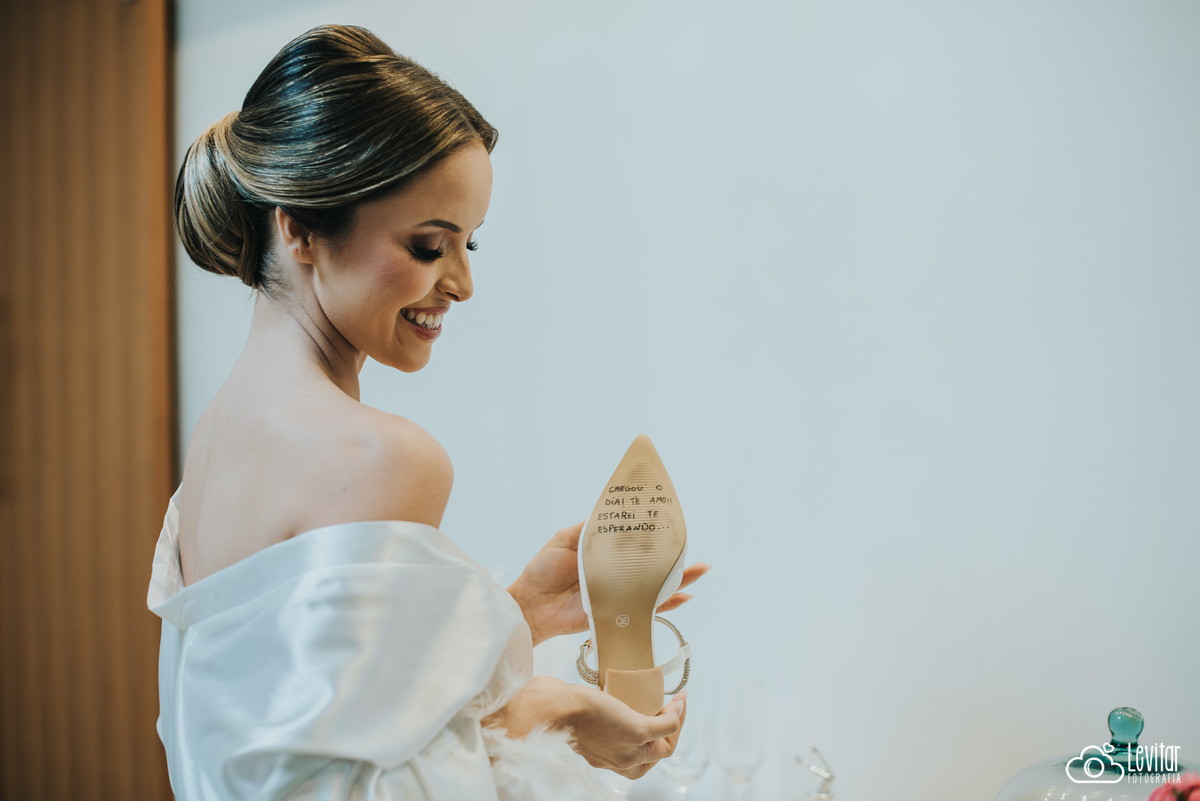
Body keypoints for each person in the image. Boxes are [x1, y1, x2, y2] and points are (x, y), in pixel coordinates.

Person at [148, 23, 709, 801]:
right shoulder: (381, 457)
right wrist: (551, 711)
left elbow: (296, 723)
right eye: (427, 245)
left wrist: (516, 612)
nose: (461, 284)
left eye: (467, 246)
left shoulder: (217, 439)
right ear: (299, 227)